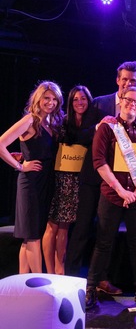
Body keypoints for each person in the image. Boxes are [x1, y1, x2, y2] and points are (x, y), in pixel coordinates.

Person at [66, 61, 136, 294]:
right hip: (94, 178)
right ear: (117, 80)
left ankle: (102, 280)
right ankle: (71, 283)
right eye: (125, 79)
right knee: (82, 230)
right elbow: (78, 135)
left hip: (122, 181)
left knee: (108, 233)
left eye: (133, 81)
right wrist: (99, 125)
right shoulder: (99, 103)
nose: (129, 83)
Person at [85, 86, 136, 309]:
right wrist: (120, 190)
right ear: (121, 101)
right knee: (104, 243)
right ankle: (91, 289)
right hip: (112, 194)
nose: (132, 105)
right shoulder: (107, 128)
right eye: (129, 100)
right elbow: (99, 162)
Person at [0, 81, 63, 274]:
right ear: (38, 98)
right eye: (46, 98)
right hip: (31, 183)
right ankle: (38, 283)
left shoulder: (49, 123)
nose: (50, 103)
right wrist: (20, 166)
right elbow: (1, 144)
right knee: (33, 235)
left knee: (30, 237)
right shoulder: (30, 120)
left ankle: (22, 282)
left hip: (44, 182)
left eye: (54, 99)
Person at [43, 85, 97, 275]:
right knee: (53, 224)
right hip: (61, 178)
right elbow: (76, 138)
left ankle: (60, 269)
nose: (79, 102)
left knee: (65, 226)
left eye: (83, 98)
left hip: (78, 180)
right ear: (70, 102)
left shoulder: (94, 121)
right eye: (75, 99)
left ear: (88, 101)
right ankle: (49, 271)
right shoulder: (64, 122)